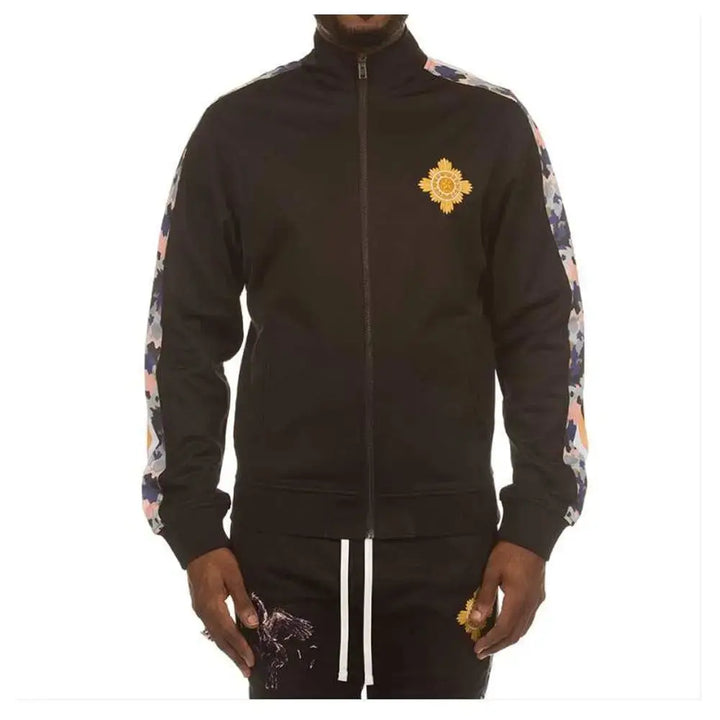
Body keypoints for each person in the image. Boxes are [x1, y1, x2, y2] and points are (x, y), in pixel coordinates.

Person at [141, 13, 588, 699]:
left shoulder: (489, 125)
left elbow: (544, 331)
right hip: (280, 557)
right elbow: (182, 335)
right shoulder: (237, 129)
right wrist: (194, 529)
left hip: (452, 559)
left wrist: (534, 524)